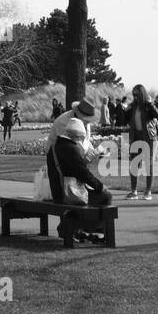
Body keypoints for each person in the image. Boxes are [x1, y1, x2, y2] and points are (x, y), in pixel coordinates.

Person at [46, 99, 113, 242]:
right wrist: (100, 186)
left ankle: (74, 229)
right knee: (105, 196)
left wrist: (91, 154)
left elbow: (81, 153)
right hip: (66, 187)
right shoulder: (65, 131)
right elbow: (80, 169)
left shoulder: (66, 140)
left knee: (92, 192)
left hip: (64, 182)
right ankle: (92, 231)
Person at [125, 84, 158, 200]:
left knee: (148, 164)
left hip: (149, 138)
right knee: (134, 165)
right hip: (136, 137)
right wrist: (125, 109)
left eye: (136, 94)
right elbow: (124, 119)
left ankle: (148, 191)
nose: (134, 96)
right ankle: (134, 191)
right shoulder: (133, 106)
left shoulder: (148, 106)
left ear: (142, 94)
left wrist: (150, 104)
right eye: (133, 94)